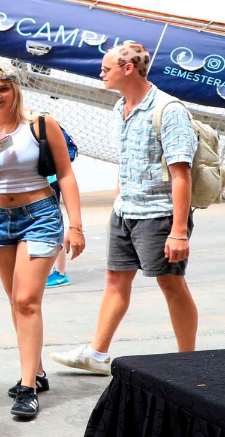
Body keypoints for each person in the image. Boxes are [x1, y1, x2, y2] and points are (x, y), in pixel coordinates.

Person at [51, 43, 197, 374]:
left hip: (159, 214)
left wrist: (178, 231)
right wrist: (117, 204)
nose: (101, 72)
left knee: (171, 283)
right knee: (115, 279)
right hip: (125, 212)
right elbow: (126, 161)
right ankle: (96, 353)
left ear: (128, 68)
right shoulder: (120, 107)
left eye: (107, 67)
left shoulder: (168, 110)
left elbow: (181, 174)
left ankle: (189, 360)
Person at [0, 63, 84, 419]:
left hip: (39, 215)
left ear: (15, 91)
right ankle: (34, 369)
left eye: (3, 88)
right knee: (15, 301)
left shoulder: (39, 124)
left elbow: (64, 173)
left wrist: (76, 225)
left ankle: (27, 387)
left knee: (27, 299)